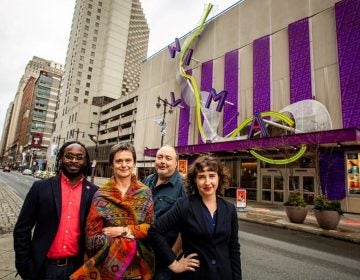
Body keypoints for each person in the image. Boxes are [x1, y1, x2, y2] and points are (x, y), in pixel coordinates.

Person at [13, 141, 98, 280]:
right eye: (69, 156)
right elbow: (22, 229)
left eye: (79, 157)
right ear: (61, 158)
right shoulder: (40, 187)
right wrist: (23, 264)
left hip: (78, 269)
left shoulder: (94, 192)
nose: (74, 161)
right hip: (44, 268)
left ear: (85, 161)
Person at [148, 155, 242, 280]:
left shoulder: (229, 209)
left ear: (219, 178)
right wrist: (173, 263)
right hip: (194, 275)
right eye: (201, 177)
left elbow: (234, 248)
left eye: (212, 176)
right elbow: (154, 231)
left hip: (224, 275)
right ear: (195, 180)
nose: (207, 182)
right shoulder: (184, 205)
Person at [70, 143, 154, 280]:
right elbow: (91, 239)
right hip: (106, 268)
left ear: (134, 163)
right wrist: (132, 236)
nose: (124, 165)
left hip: (137, 269)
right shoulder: (101, 195)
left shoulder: (145, 193)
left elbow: (151, 230)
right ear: (111, 165)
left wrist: (122, 231)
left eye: (128, 160)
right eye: (119, 161)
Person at [142, 145, 186, 280]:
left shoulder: (184, 187)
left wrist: (171, 257)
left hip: (165, 260)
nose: (163, 161)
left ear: (176, 163)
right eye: (159, 157)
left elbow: (186, 229)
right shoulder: (148, 180)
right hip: (142, 253)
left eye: (168, 158)